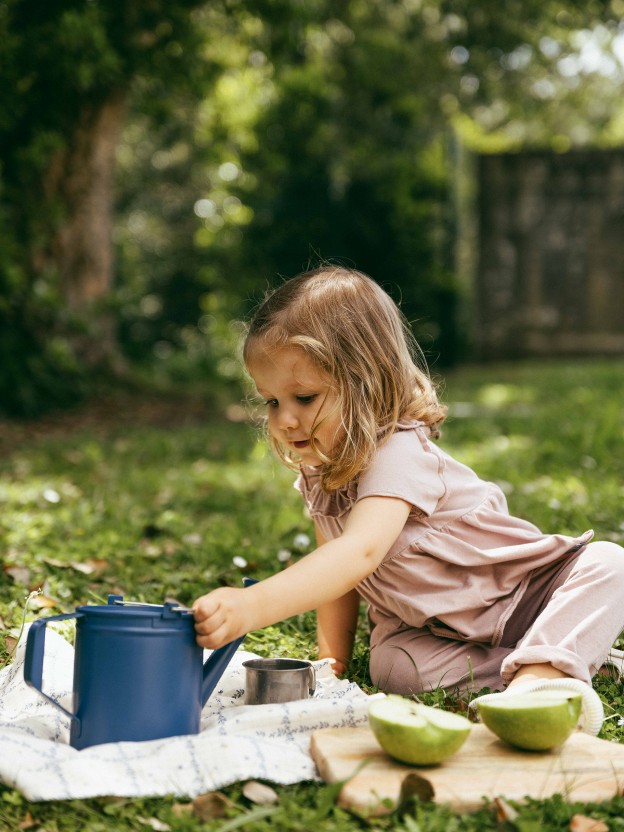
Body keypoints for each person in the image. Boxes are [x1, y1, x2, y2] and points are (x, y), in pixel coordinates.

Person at [192, 265, 624, 733]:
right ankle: (555, 662)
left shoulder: (395, 451)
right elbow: (335, 572)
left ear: (367, 381)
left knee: (609, 564)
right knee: (394, 668)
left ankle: (540, 678)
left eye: (305, 397)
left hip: (524, 594)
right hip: (432, 627)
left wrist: (252, 607)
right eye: (272, 401)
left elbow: (358, 553)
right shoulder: (320, 472)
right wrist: (331, 662)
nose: (285, 419)